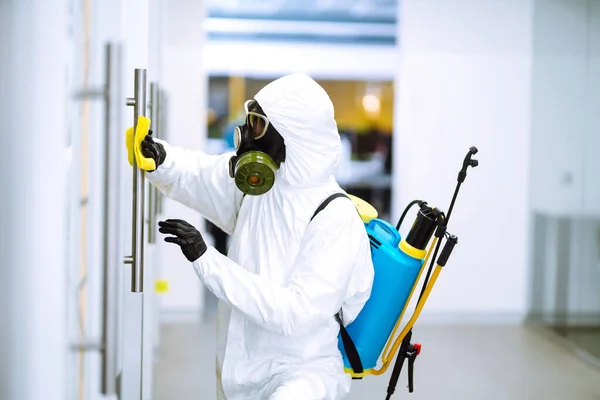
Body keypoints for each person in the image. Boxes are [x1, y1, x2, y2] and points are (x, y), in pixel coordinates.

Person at [139, 74, 374, 400]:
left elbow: (295, 314)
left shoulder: (334, 218)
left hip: (301, 375)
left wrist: (207, 260)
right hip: (239, 372)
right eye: (249, 121)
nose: (245, 136)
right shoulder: (261, 188)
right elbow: (202, 175)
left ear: (293, 135)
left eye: (258, 125)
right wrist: (160, 159)